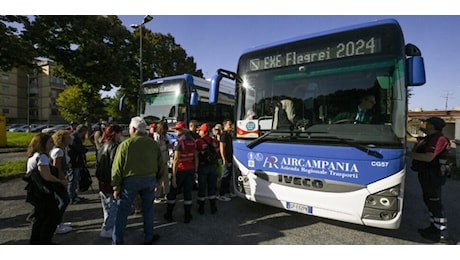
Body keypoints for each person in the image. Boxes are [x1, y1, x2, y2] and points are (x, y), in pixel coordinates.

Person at [111, 116, 164, 245]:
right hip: (149, 179)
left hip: (130, 181)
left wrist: (116, 187)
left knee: (122, 212)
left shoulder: (125, 145)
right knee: (148, 209)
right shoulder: (152, 144)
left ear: (133, 129)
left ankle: (117, 241)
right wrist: (159, 179)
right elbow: (160, 163)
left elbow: (117, 168)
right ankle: (148, 236)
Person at [406, 117, 454, 244]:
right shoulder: (430, 137)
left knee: (435, 204)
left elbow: (429, 157)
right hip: (427, 175)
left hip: (433, 176)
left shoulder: (439, 139)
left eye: (426, 123)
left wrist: (408, 154)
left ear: (432, 126)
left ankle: (442, 234)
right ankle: (434, 228)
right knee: (429, 202)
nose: (424, 125)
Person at [25, 133, 66, 244]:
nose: (52, 144)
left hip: (36, 190)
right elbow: (46, 175)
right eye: (50, 142)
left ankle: (37, 241)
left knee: (40, 218)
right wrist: (60, 182)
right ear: (42, 144)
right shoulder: (42, 157)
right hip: (42, 191)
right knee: (52, 217)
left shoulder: (33, 156)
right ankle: (44, 241)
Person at [164, 121, 198, 223]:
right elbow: (196, 157)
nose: (175, 130)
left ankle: (169, 214)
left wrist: (173, 176)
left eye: (178, 129)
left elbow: (176, 159)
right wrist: (195, 171)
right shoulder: (193, 141)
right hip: (190, 170)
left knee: (173, 193)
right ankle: (187, 215)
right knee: (188, 193)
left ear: (183, 130)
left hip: (180, 170)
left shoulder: (179, 142)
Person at [95, 124, 123, 239]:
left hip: (102, 179)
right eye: (120, 133)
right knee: (113, 206)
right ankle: (108, 227)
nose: (121, 135)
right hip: (110, 180)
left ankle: (107, 226)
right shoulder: (114, 147)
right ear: (115, 133)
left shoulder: (102, 146)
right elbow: (115, 166)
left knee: (107, 205)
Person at [50, 130, 72, 234]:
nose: (70, 139)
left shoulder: (63, 149)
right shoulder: (58, 151)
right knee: (64, 200)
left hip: (61, 176)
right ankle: (55, 224)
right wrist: (62, 179)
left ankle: (59, 221)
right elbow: (56, 167)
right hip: (57, 179)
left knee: (59, 201)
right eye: (68, 137)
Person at [195, 123, 219, 214]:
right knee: (212, 187)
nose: (199, 132)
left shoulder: (198, 142)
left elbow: (196, 156)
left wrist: (196, 170)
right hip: (213, 167)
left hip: (203, 166)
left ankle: (201, 208)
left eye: (200, 130)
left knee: (202, 187)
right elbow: (217, 155)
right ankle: (213, 207)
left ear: (203, 131)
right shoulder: (214, 141)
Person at [68, 124, 89, 204]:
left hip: (76, 161)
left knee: (75, 180)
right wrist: (84, 150)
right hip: (74, 161)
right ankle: (71, 197)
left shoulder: (76, 137)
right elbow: (78, 148)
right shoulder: (74, 137)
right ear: (83, 131)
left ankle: (74, 195)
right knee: (72, 180)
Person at [217, 119, 235, 202]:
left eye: (231, 124)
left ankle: (227, 192)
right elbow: (221, 148)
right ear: (225, 126)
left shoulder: (229, 135)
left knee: (228, 176)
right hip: (226, 159)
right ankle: (221, 194)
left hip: (230, 158)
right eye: (229, 125)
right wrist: (224, 159)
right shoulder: (224, 135)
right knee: (225, 176)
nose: (231, 126)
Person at [153, 121, 170, 203]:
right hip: (158, 160)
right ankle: (156, 195)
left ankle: (166, 193)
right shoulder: (156, 136)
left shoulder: (164, 136)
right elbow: (156, 148)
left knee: (166, 178)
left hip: (165, 159)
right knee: (158, 178)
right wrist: (165, 146)